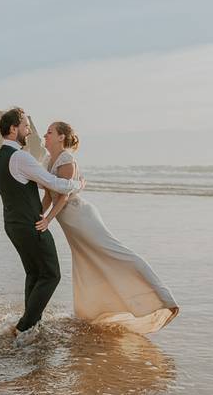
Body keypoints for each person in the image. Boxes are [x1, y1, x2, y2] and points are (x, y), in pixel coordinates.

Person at [37, 121, 179, 334]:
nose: (45, 135)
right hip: (70, 224)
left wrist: (47, 220)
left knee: (115, 253)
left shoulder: (67, 160)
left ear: (61, 137)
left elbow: (64, 196)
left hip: (81, 219)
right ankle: (93, 312)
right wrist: (38, 215)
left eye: (50, 132)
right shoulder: (48, 160)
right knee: (87, 264)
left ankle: (163, 298)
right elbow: (49, 194)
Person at [0, 107, 83, 347]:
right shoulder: (20, 157)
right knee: (51, 274)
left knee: (34, 273)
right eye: (24, 126)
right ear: (13, 129)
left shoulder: (1, 156)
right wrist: (79, 184)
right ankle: (25, 327)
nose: (29, 130)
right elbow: (55, 184)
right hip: (29, 225)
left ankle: (32, 324)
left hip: (13, 224)